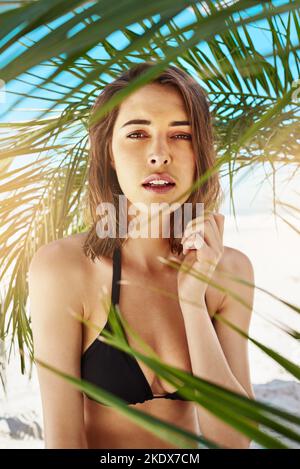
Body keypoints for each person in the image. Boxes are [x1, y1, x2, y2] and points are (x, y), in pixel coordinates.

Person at [28, 61, 256, 449]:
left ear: (199, 153)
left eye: (180, 135)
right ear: (110, 153)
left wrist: (193, 302)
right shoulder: (64, 268)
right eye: (137, 133)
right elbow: (64, 440)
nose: (159, 155)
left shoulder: (230, 270)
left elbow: (233, 441)